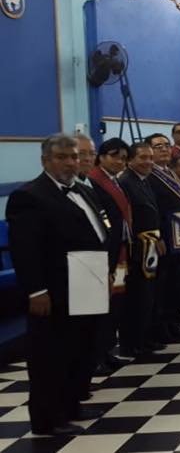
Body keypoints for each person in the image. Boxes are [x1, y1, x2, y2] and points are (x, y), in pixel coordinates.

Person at [7, 134, 111, 436]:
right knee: (51, 355)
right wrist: (36, 290)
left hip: (86, 285)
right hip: (54, 290)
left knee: (82, 349)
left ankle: (72, 405)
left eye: (74, 157)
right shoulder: (30, 196)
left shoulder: (83, 190)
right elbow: (25, 249)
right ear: (45, 161)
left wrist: (104, 273)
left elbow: (97, 233)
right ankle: (47, 419)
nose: (70, 163)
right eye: (62, 157)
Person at [86, 137, 132, 376]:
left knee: (115, 305)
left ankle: (106, 351)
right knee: (102, 308)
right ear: (101, 157)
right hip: (105, 253)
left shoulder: (114, 180)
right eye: (115, 156)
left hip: (120, 250)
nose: (120, 162)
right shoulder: (94, 181)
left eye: (124, 158)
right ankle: (96, 356)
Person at [119, 142, 165, 357]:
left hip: (151, 245)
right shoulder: (126, 182)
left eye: (150, 158)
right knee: (137, 297)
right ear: (130, 160)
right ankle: (132, 343)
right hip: (137, 248)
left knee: (149, 296)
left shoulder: (144, 181)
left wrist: (158, 237)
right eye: (143, 158)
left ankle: (145, 338)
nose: (148, 162)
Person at [147, 140, 180, 335]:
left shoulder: (169, 172)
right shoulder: (150, 175)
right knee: (164, 282)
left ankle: (173, 320)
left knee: (176, 280)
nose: (164, 149)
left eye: (166, 146)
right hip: (165, 234)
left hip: (179, 231)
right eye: (158, 147)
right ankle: (162, 325)